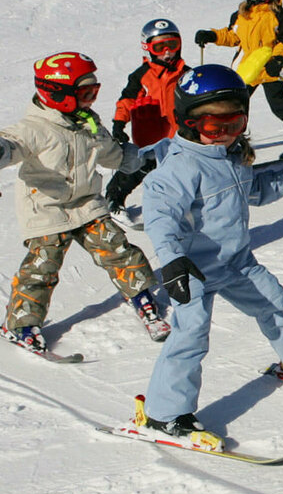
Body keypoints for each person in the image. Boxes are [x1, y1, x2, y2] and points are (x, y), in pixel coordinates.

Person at [135, 64, 283, 448]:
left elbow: (257, 189)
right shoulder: (181, 167)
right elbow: (160, 213)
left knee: (279, 306)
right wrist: (171, 259)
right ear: (188, 122)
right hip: (191, 270)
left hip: (237, 263)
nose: (227, 136)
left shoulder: (231, 156)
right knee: (190, 337)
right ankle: (163, 414)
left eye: (235, 125)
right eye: (216, 128)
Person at [0, 52, 169, 348]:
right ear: (58, 94)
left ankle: (142, 296)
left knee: (118, 249)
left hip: (86, 203)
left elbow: (113, 154)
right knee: (43, 265)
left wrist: (146, 158)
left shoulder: (87, 123)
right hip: (47, 208)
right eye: (85, 93)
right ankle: (20, 323)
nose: (91, 99)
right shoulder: (34, 128)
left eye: (95, 92)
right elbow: (11, 143)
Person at [194, 0, 283, 159]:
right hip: (247, 69)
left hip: (271, 67)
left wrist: (279, 59)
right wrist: (212, 35)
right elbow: (232, 36)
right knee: (234, 108)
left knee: (279, 104)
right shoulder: (241, 15)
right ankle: (230, 146)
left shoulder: (278, 13)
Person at [105, 18, 189, 214]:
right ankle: (114, 196)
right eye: (160, 47)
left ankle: (180, 206)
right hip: (152, 135)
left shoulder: (187, 74)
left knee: (182, 172)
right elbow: (127, 101)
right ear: (147, 49)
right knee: (140, 165)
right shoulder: (142, 76)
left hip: (182, 136)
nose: (168, 52)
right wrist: (119, 124)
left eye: (173, 45)